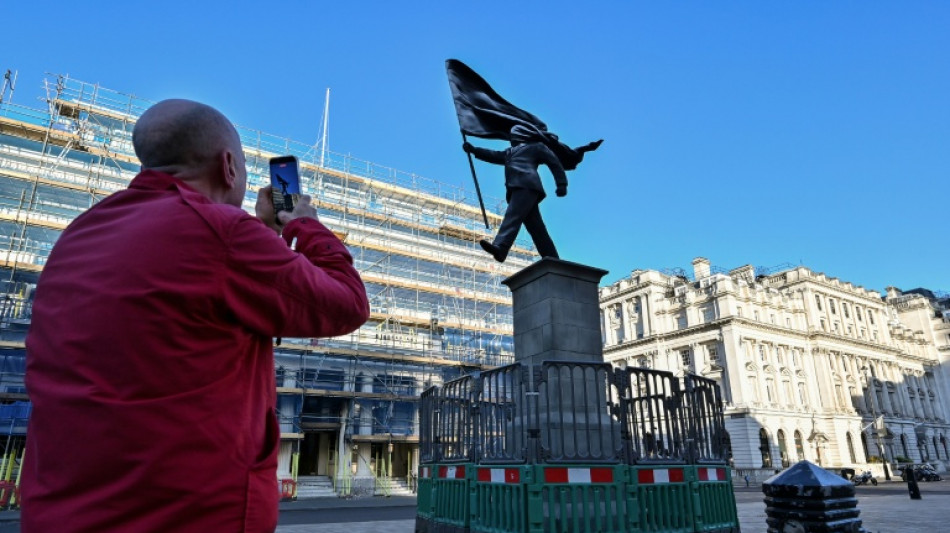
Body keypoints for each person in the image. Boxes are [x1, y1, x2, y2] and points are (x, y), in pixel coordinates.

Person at [20, 99, 369, 532]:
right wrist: (303, 223)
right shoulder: (223, 235)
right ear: (228, 167)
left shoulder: (80, 232)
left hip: (62, 510)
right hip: (188, 512)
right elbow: (347, 303)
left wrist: (261, 233)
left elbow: (201, 300)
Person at [463, 125, 601, 262]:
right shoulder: (509, 152)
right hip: (516, 188)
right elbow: (493, 155)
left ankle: (501, 247)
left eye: (514, 135)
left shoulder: (536, 147)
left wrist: (561, 184)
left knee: (513, 215)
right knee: (536, 228)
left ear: (522, 135)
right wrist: (474, 150)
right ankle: (552, 258)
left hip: (527, 186)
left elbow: (554, 163)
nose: (511, 138)